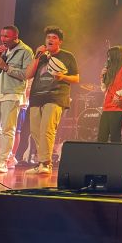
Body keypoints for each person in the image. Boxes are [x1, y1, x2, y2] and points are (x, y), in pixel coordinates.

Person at [25, 26, 79, 175]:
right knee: (35, 131)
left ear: (60, 41)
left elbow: (76, 78)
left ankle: (46, 163)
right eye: (48, 37)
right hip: (37, 97)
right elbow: (28, 75)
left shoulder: (67, 56)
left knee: (47, 129)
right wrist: (37, 56)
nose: (50, 40)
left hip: (55, 96)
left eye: (54, 37)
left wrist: (63, 77)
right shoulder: (41, 56)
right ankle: (41, 162)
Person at [0, 25, 34, 174]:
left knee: (8, 129)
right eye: (1, 36)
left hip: (12, 93)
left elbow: (27, 74)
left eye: (6, 36)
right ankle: (9, 156)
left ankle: (2, 162)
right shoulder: (2, 50)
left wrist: (6, 67)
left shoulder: (25, 51)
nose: (3, 39)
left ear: (15, 37)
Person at [98, 46, 122, 143]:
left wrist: (118, 94)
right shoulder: (111, 70)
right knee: (101, 137)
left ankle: (116, 153)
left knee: (115, 136)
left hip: (118, 107)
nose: (108, 59)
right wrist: (102, 77)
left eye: (109, 56)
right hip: (107, 106)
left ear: (116, 56)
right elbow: (104, 89)